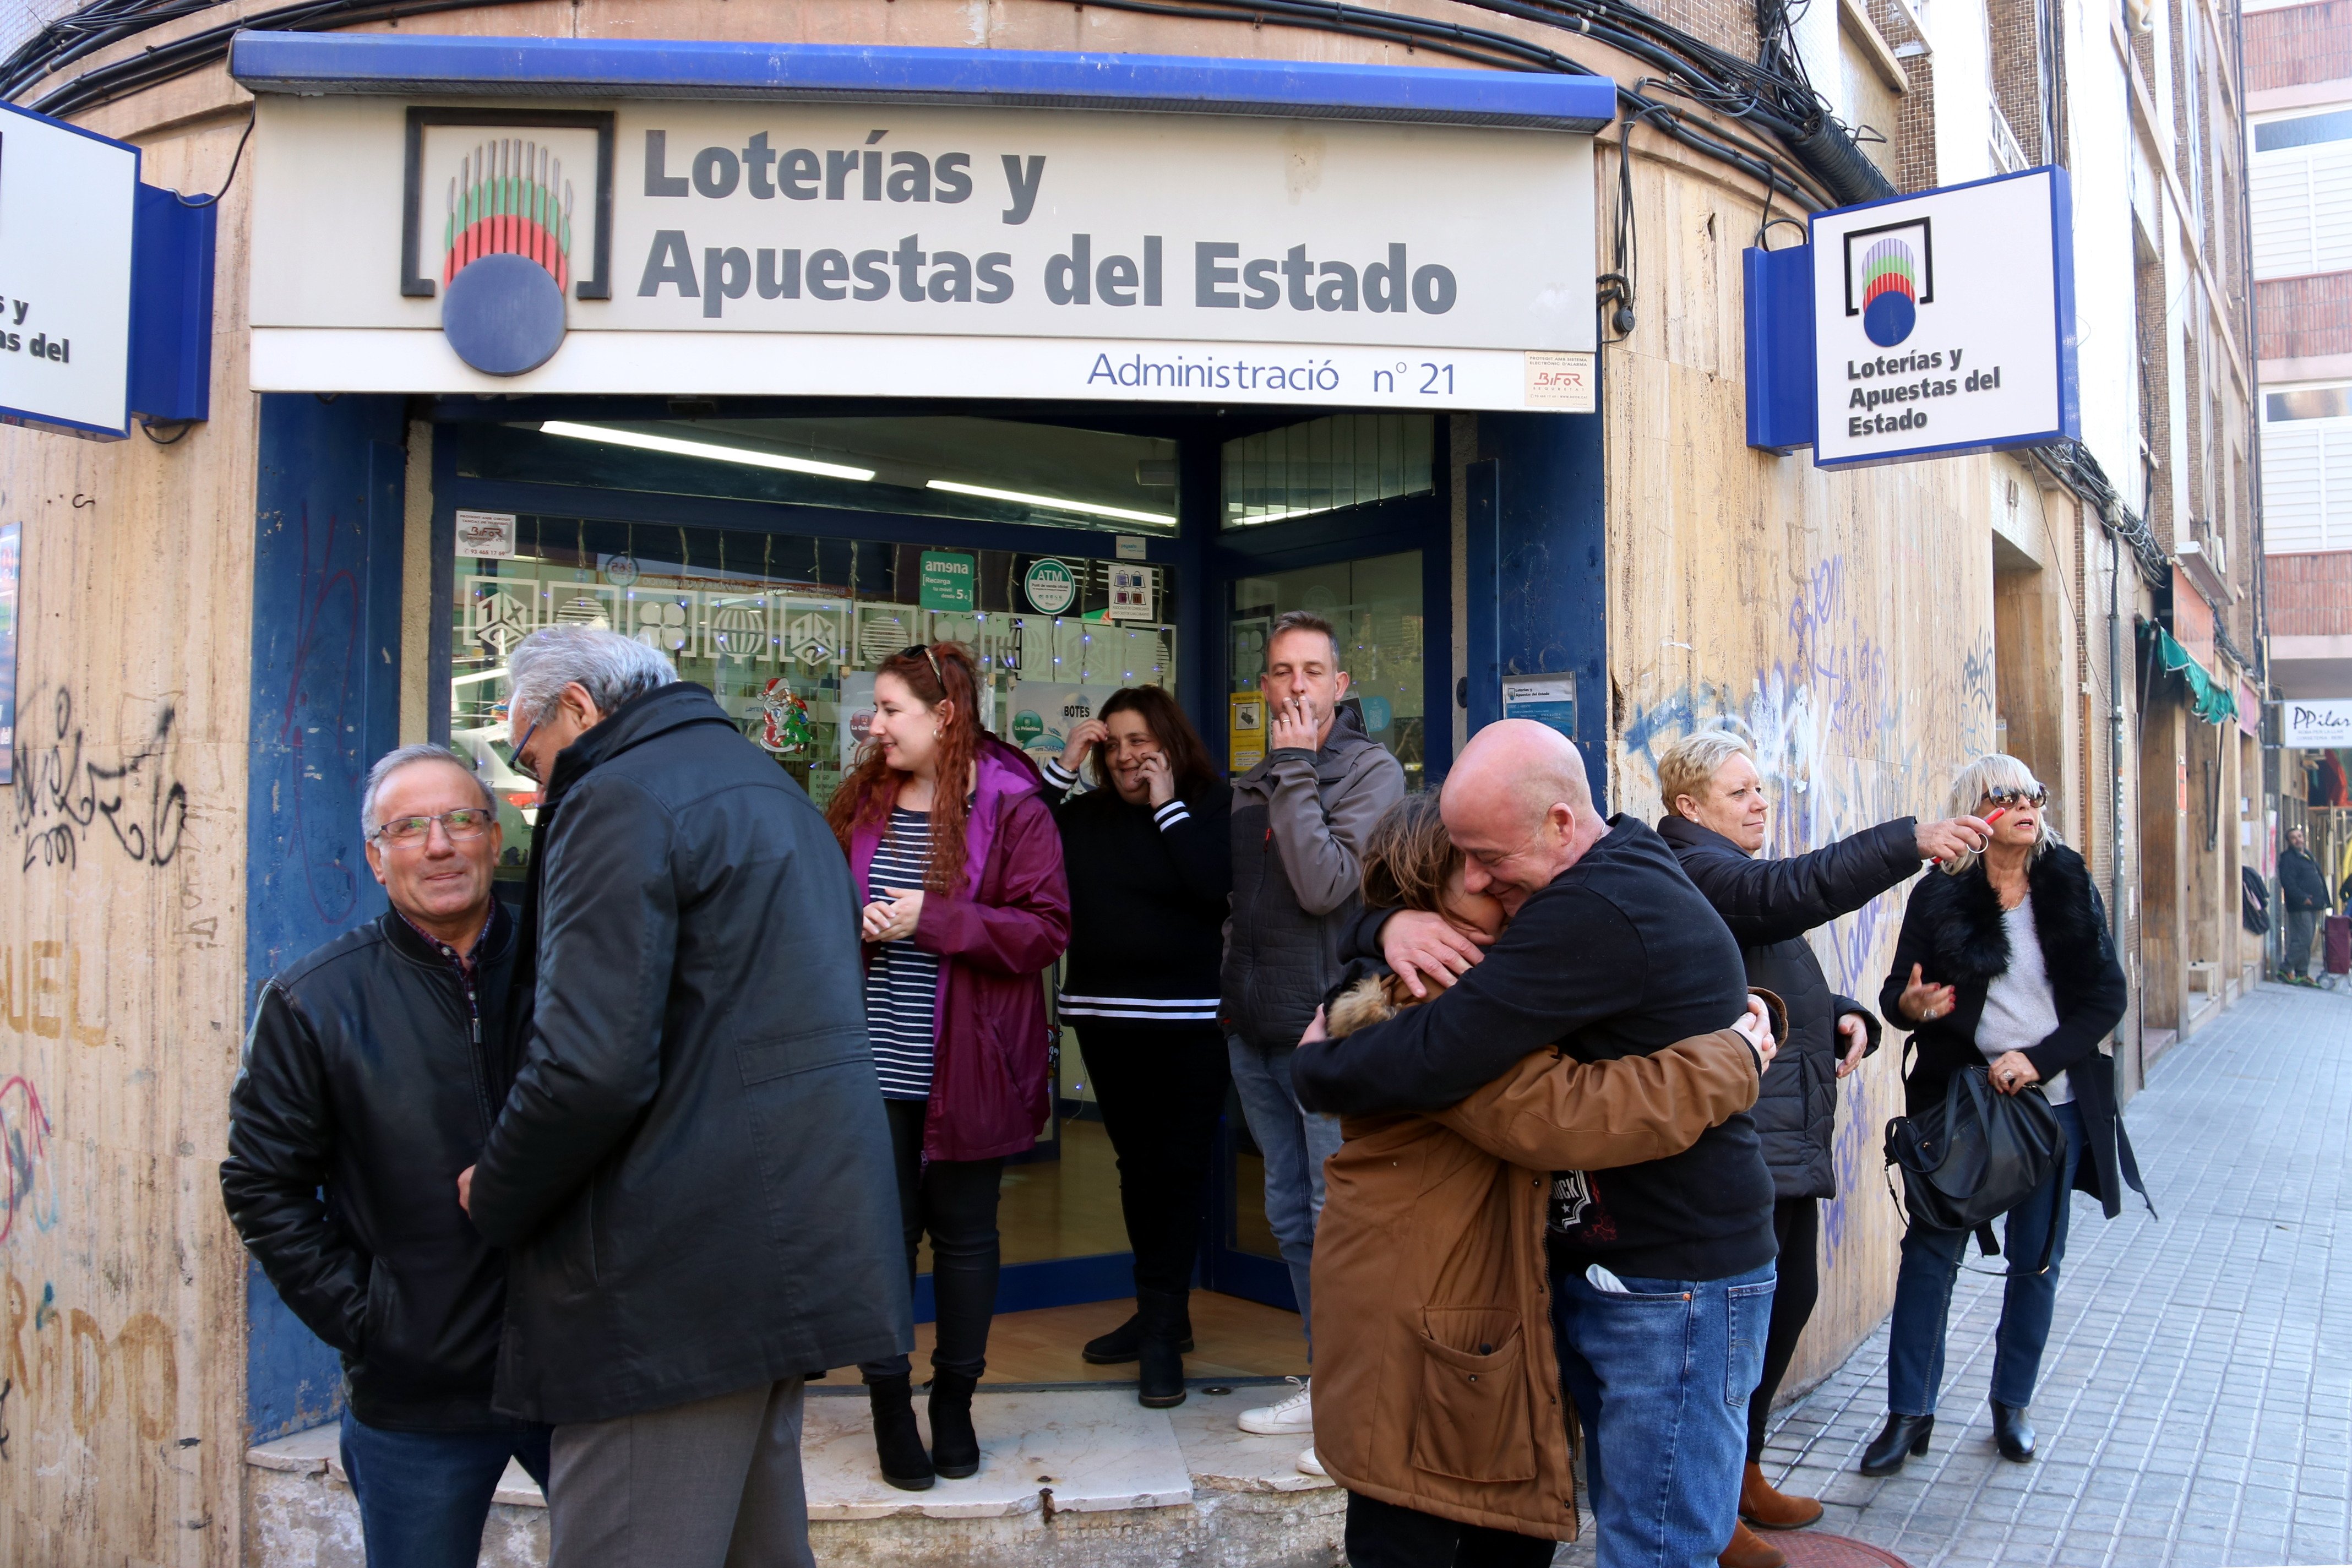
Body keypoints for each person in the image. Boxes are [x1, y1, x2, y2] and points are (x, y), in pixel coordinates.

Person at [460, 626, 908, 1568]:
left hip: (665, 1275)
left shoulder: (617, 796)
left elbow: (588, 1066)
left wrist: (496, 1192)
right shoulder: (761, 785)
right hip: (775, 1252)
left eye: (529, 751)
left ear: (578, 706)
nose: (534, 782)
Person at [1295, 720, 1777, 1568]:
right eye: (1468, 869)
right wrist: (1731, 1058)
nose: (1489, 882)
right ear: (1424, 901)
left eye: (1492, 861)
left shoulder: (1572, 914)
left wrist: (1761, 1014)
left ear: (1560, 825)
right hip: (1425, 1334)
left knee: (1644, 1543)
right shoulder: (1438, 995)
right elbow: (1562, 1113)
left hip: (1608, 1295)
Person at [1650, 729, 1991, 1568]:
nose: (1760, 801)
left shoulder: (1729, 876)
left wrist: (1847, 1011)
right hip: (1735, 1144)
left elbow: (1767, 969)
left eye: (1759, 787)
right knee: (1736, 1332)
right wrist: (1909, 842)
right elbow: (1786, 896)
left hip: (1781, 1138)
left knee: (1785, 1304)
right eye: (1740, 793)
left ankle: (1745, 1473)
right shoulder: (1697, 871)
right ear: (1690, 809)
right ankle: (1709, 1501)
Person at [222, 745, 548, 1568]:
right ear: (376, 857)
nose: (439, 845)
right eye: (409, 828)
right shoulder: (315, 1001)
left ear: (494, 836)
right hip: (418, 1399)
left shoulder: (572, 965)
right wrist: (373, 1324)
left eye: (462, 820)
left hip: (582, 1372)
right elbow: (263, 1185)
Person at [825, 641, 1071, 1489]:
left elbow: (1044, 931)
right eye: (876, 709)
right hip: (867, 1065)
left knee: (966, 1241)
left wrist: (934, 919)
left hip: (968, 1063)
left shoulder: (1014, 806)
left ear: (945, 715)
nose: (876, 724)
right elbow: (821, 899)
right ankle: (889, 1408)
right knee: (882, 1244)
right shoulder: (864, 800)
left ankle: (954, 1403)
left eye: (892, 709)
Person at [1864, 754, 2146, 1476]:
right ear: (1974, 812)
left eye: (2034, 794)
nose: (2027, 804)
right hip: (1958, 1108)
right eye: (2006, 794)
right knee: (1930, 1258)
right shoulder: (1939, 896)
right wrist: (1915, 1007)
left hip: (2053, 1108)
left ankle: (2011, 1407)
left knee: (2037, 1262)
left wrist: (2041, 1059)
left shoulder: (2068, 880)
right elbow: (1901, 995)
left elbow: (2107, 996)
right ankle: (1908, 1415)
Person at [1222, 608, 1407, 1455]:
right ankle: (1322, 1377)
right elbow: (1242, 903)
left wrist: (1296, 768)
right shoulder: (1257, 774)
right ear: (1263, 685)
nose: (1295, 685)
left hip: (1325, 1033)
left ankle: (1356, 1398)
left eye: (1311, 671)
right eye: (1280, 671)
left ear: (1340, 685)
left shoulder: (1370, 774)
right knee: (1289, 1215)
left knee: (1338, 1216)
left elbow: (1328, 886)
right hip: (1252, 1028)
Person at [1041, 686, 1232, 1407]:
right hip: (1103, 1017)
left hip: (1189, 1022)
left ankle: (1160, 1335)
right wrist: (1063, 767)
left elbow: (1213, 887)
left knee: (1176, 1171)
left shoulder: (1211, 805)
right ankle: (1163, 1313)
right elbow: (1007, 835)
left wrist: (1167, 803)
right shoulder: (1083, 815)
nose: (1126, 755)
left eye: (1139, 740)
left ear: (1170, 741)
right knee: (1135, 1167)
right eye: (1112, 743)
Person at [2279, 826, 2331, 983]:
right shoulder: (2289, 858)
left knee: (2308, 939)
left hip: (2314, 904)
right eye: (2294, 838)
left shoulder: (2307, 855)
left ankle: (2302, 972)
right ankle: (2285, 969)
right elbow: (2288, 882)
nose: (2298, 840)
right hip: (2301, 905)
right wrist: (2303, 898)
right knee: (2303, 938)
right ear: (2289, 842)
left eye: (2300, 836)